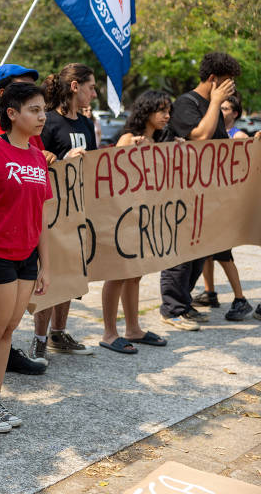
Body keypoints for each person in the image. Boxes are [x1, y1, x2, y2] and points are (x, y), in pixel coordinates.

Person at [0, 82, 52, 432]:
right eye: (34, 109)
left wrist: (45, 263)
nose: (42, 116)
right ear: (12, 113)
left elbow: (41, 214)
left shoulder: (36, 156)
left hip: (26, 259)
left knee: (8, 331)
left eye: (44, 109)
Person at [160, 52, 242, 330]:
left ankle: (184, 303)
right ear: (213, 79)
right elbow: (200, 137)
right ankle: (171, 308)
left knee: (199, 252)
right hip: (182, 192)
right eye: (227, 82)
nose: (232, 88)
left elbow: (220, 144)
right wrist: (216, 102)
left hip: (207, 194)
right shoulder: (187, 103)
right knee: (181, 252)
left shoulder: (213, 108)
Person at [29, 63, 97, 365]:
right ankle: (39, 339)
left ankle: (59, 333)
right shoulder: (50, 122)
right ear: (75, 87)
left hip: (77, 210)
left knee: (70, 273)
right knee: (50, 276)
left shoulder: (84, 123)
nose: (93, 93)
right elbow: (37, 159)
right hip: (53, 212)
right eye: (91, 87)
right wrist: (57, 160)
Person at [100, 91, 173, 353]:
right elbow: (114, 170)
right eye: (161, 110)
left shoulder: (160, 140)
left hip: (144, 216)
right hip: (123, 217)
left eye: (168, 110)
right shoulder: (129, 138)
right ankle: (110, 333)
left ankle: (133, 328)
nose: (167, 116)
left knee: (135, 274)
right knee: (117, 274)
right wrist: (133, 150)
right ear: (146, 111)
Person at [191, 94, 253, 321]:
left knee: (223, 253)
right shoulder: (212, 132)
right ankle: (210, 292)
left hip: (226, 203)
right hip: (210, 200)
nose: (221, 111)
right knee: (206, 251)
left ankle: (240, 299)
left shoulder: (239, 137)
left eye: (226, 108)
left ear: (235, 113)